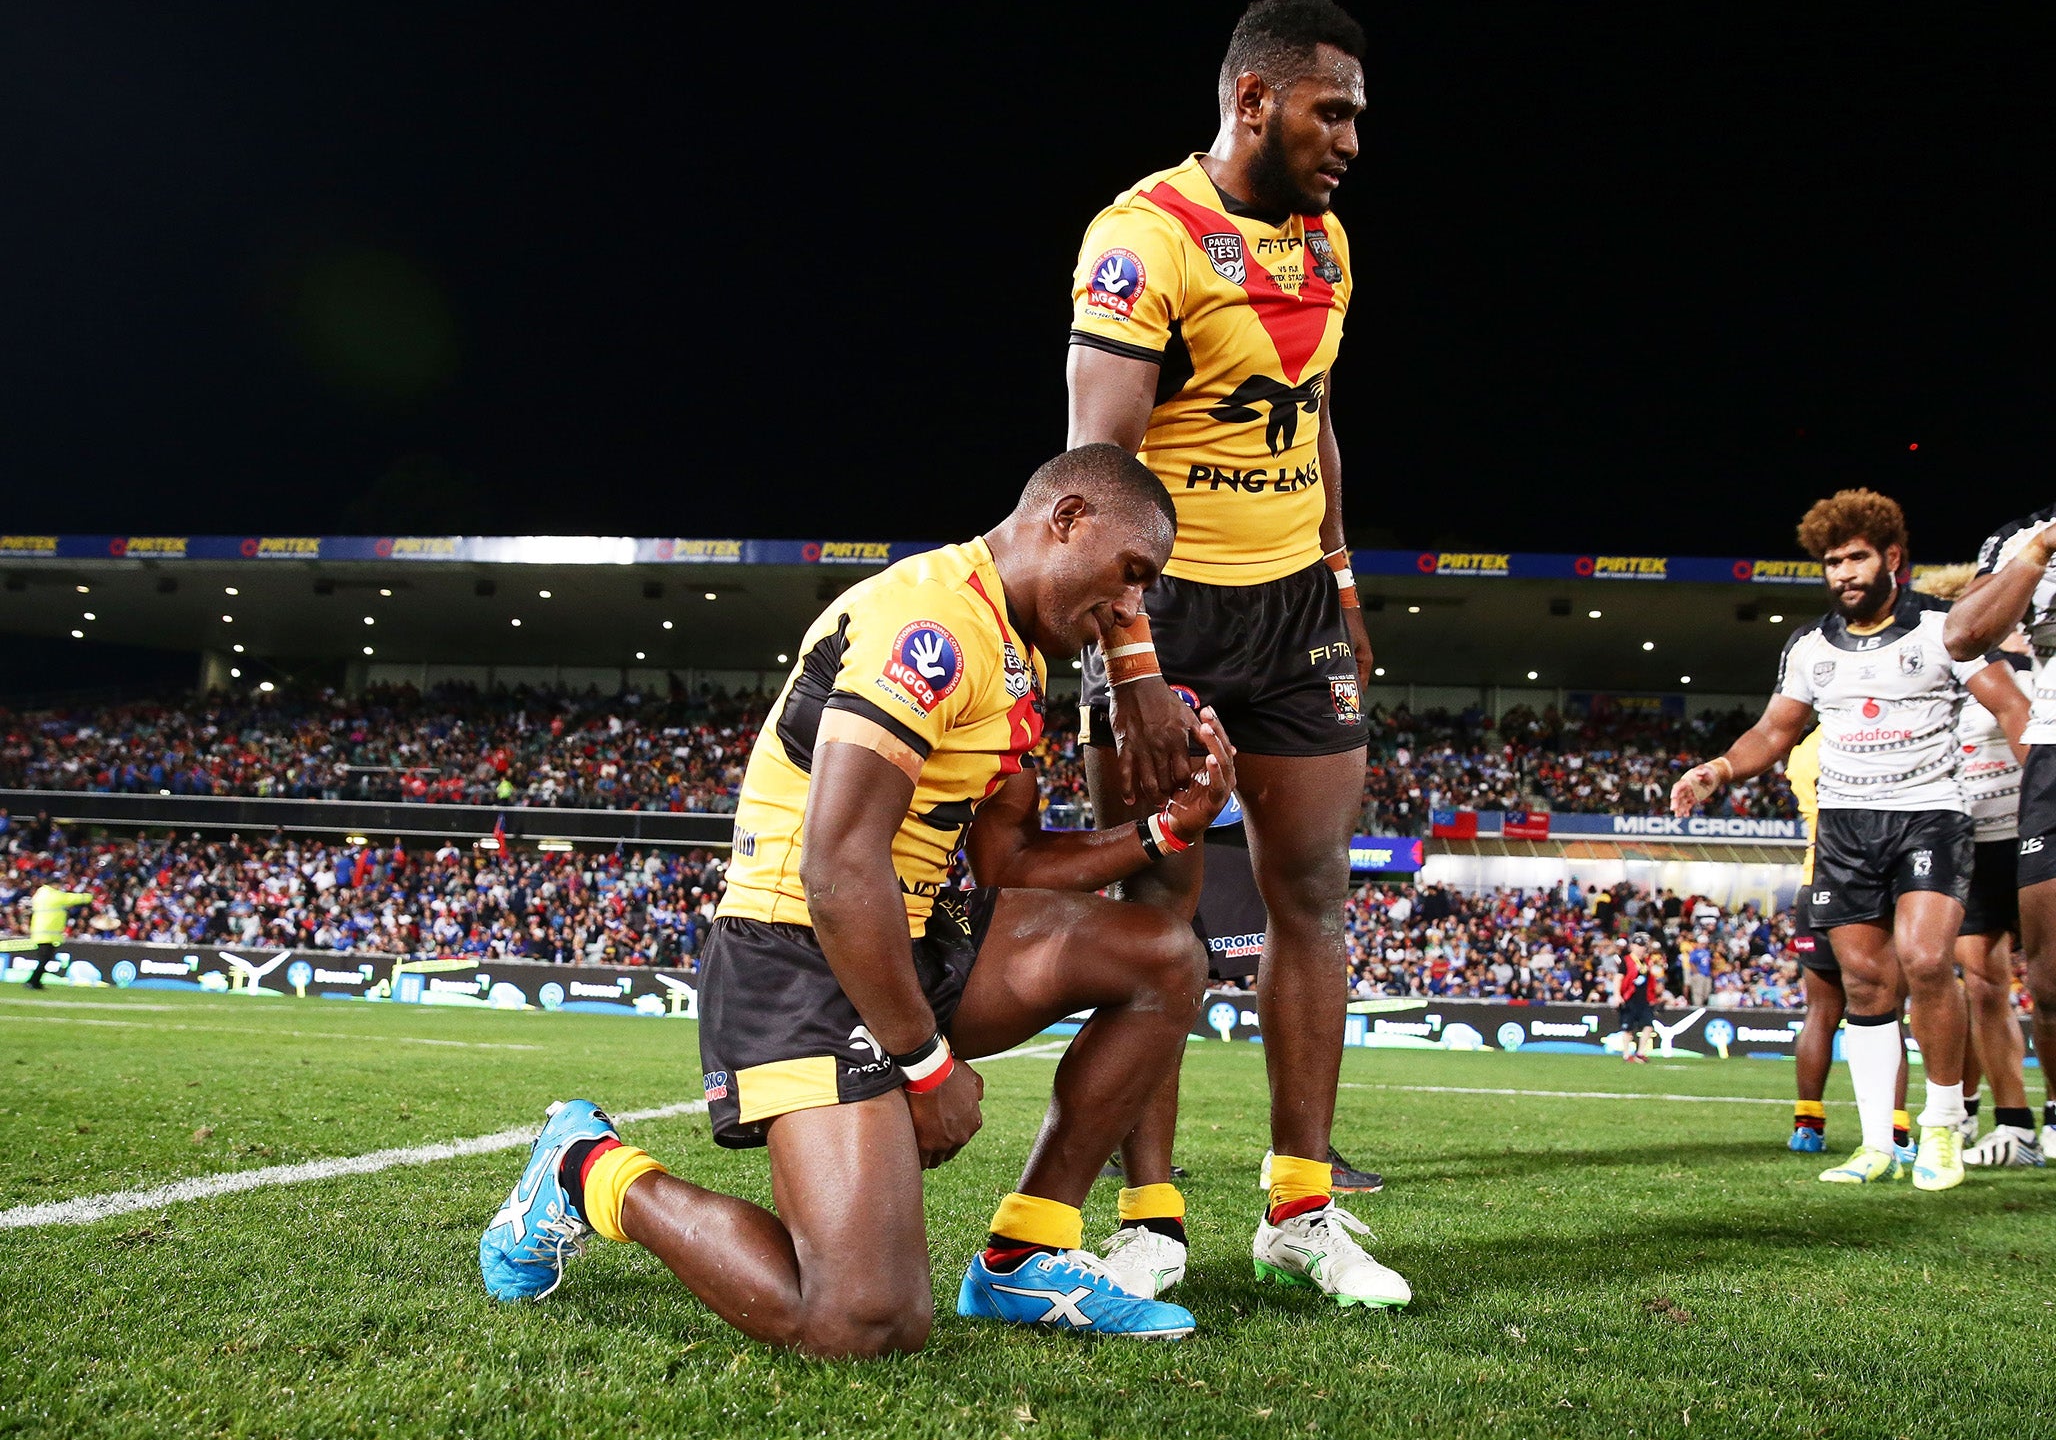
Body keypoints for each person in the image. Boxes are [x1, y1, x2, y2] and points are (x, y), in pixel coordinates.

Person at [477, 448, 1408, 1358]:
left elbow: (1004, 862)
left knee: (1163, 953)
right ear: (1067, 518)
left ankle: (1026, 1253)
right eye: (1129, 576)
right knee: (862, 1321)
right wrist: (925, 1067)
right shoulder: (929, 624)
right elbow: (838, 869)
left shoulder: (1018, 657)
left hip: (910, 933)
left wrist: (1169, 830)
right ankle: (584, 1170)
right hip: (797, 950)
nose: (1132, 610)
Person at [1064, 0, 1393, 1305]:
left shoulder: (1329, 246)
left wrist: (1343, 578)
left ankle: (1300, 1214)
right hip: (1171, 610)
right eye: (1334, 110)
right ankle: (1148, 1222)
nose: (1354, 138)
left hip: (1294, 614)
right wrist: (1133, 661)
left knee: (1314, 898)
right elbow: (1096, 472)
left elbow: (1311, 416)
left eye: (1362, 116)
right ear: (1252, 98)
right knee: (1154, 913)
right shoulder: (1142, 240)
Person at [1673, 489, 2029, 1191]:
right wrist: (1717, 769)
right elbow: (1776, 731)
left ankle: (1941, 1126)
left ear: (1892, 557)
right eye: (1832, 562)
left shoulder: (1945, 629)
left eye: (1856, 558)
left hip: (1930, 815)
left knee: (1928, 962)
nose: (1843, 573)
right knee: (1866, 985)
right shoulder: (1809, 647)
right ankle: (1874, 1144)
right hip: (1845, 825)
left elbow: (2011, 706)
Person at [1944, 503, 2056, 1159]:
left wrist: (2038, 792)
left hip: (2026, 820)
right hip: (1975, 837)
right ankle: (2012, 1123)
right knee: (1982, 979)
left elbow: (2021, 723)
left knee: (2046, 981)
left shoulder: (2011, 665)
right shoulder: (1949, 666)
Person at [1784, 728, 1911, 1162]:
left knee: (1820, 1011)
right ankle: (1894, 1132)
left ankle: (1807, 1126)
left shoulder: (1802, 752)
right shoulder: (1869, 734)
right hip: (1867, 881)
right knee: (1886, 1011)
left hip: (1813, 877)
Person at [23, 880, 93, 989]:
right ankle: (32, 982)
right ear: (54, 885)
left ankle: (35, 982)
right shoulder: (54, 896)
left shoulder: (40, 894)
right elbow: (71, 898)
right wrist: (89, 896)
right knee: (44, 959)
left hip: (40, 932)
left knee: (44, 958)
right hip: (47, 933)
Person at [1617, 936, 1659, 1061]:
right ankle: (1626, 1053)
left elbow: (1651, 980)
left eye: (1642, 946)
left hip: (1643, 999)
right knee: (1627, 1027)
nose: (1641, 949)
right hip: (1629, 998)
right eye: (1638, 946)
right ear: (1632, 947)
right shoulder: (1626, 961)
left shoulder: (1646, 962)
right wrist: (1617, 995)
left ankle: (1640, 1052)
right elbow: (1618, 978)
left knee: (1648, 1025)